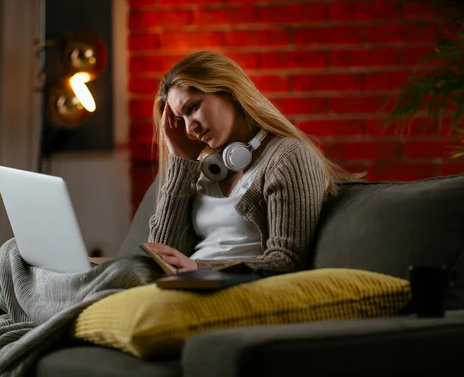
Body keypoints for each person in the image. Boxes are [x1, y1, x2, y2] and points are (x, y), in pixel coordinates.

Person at [142, 50, 361, 275]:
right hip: (185, 286)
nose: (189, 129)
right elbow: (161, 260)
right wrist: (182, 162)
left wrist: (199, 267)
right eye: (180, 120)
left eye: (193, 108)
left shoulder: (288, 157)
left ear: (229, 92)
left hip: (233, 291)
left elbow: (286, 261)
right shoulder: (202, 170)